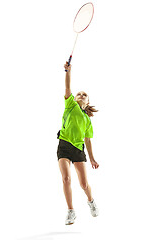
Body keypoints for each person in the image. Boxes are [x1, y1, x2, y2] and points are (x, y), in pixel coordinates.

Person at [56, 61, 100, 225]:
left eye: (84, 94)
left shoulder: (88, 120)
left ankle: (91, 201)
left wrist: (93, 158)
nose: (81, 95)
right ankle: (71, 211)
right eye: (79, 94)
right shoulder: (70, 105)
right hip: (64, 146)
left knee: (83, 183)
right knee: (66, 179)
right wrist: (68, 71)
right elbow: (67, 88)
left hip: (78, 149)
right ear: (74, 98)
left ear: (87, 102)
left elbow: (87, 141)